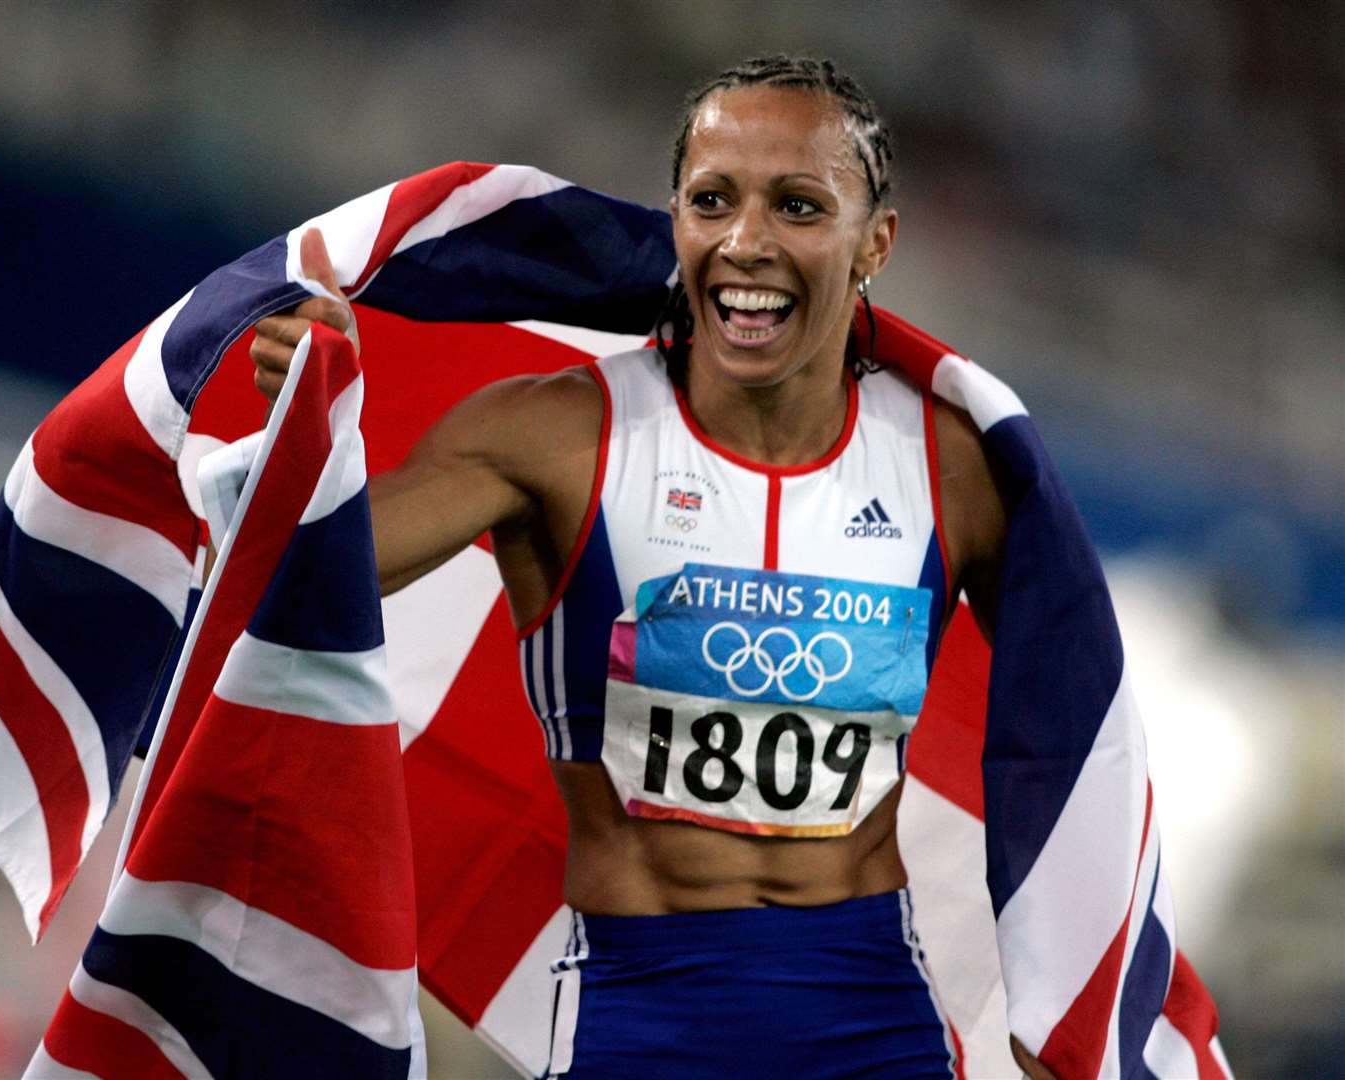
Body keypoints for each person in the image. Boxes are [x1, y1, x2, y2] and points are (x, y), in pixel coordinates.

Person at [252, 55, 1041, 1080]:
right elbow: (295, 581)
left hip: (874, 1031)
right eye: (712, 200)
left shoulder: (956, 471)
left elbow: (1069, 732)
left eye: (798, 205)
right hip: (639, 1024)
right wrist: (314, 424)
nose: (745, 241)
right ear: (674, 220)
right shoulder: (554, 436)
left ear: (873, 243)